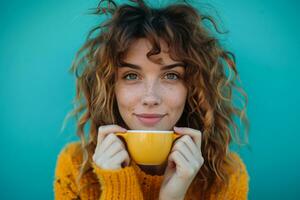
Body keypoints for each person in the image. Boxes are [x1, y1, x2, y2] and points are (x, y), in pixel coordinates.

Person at [54, 0, 249, 199]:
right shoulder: (76, 166)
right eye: (131, 76)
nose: (150, 98)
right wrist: (118, 185)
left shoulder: (225, 174)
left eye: (171, 75)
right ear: (111, 87)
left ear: (193, 88)